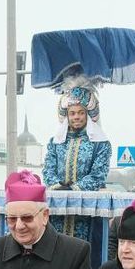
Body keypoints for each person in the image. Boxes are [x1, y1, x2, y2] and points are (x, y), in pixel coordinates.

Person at [42, 81, 112, 241]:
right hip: (58, 209)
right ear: (67, 116)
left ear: (88, 114)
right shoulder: (56, 142)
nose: (76, 117)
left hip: (86, 211)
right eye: (72, 113)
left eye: (81, 112)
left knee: (84, 251)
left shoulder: (101, 143)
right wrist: (58, 187)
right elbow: (48, 170)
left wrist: (74, 189)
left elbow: (98, 175)